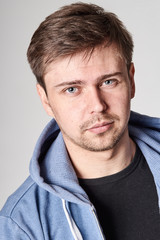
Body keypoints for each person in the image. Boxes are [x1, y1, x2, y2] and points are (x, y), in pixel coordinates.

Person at [0, 2, 160, 239]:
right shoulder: (22, 223)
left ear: (131, 80)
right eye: (72, 89)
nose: (97, 105)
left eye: (108, 82)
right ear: (45, 100)